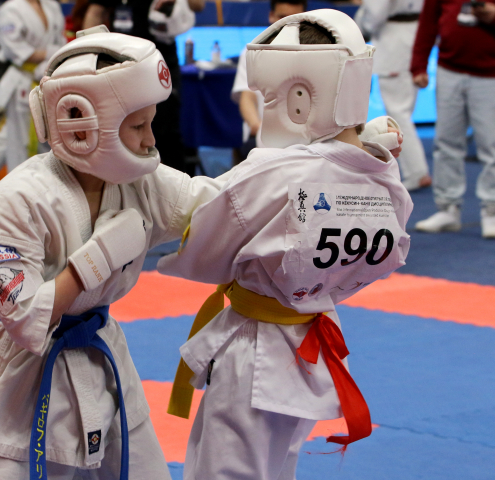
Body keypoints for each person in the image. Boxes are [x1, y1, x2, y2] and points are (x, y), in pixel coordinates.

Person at [0, 27, 230, 479]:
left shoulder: (141, 182)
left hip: (103, 355)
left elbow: (221, 207)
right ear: (81, 122)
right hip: (23, 375)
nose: (150, 140)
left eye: (150, 123)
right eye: (138, 126)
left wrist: (312, 169)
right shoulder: (17, 200)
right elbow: (24, 317)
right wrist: (95, 261)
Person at [158, 10, 413, 480]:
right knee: (279, 466)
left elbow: (203, 239)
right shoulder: (384, 178)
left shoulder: (274, 175)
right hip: (312, 342)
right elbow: (386, 253)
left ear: (299, 98)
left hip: (253, 353)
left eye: (268, 96)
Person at [82, 0, 205, 175]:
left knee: (167, 132)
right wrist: (87, 55)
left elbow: (199, 5)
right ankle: (125, 181)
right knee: (123, 129)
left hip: (160, 62)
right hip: (121, 64)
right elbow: (95, 12)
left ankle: (175, 187)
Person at [411, 0, 495, 238]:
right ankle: (447, 208)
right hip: (449, 69)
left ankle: (492, 210)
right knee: (446, 142)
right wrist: (418, 65)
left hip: (490, 74)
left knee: (491, 145)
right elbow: (427, 24)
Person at [355, 0, 431, 191]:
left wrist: (361, 29)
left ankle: (417, 172)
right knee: (404, 112)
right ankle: (417, 171)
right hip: (414, 35)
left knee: (399, 113)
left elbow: (375, 14)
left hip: (394, 42)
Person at [231, 0, 307, 164]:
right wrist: (257, 127)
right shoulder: (253, 51)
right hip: (263, 137)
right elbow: (247, 96)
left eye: (294, 20)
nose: (287, 26)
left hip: (305, 141)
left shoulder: (318, 53)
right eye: (282, 18)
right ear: (271, 16)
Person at [0, 0, 65, 171]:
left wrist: (55, 54)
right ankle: (18, 184)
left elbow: (62, 41)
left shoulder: (51, 6)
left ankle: (47, 182)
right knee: (19, 143)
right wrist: (52, 52)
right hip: (23, 81)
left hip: (50, 81)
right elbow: (15, 51)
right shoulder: (10, 9)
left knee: (51, 141)